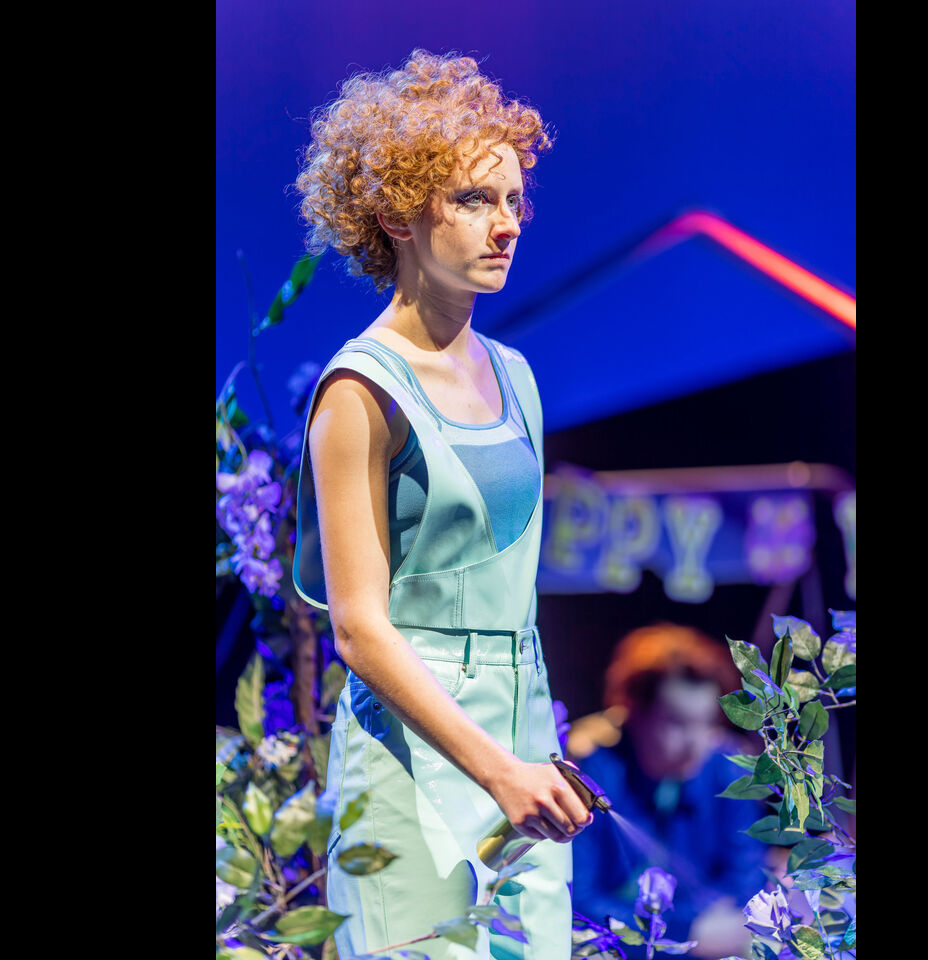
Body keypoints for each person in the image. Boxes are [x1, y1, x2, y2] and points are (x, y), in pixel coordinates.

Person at [290, 50, 591, 960]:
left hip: (523, 735)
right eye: (472, 200)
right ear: (394, 216)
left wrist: (525, 755)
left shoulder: (518, 377)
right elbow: (357, 630)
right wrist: (493, 768)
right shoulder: (360, 390)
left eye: (511, 203)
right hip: (416, 751)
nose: (504, 227)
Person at [568, 624, 770, 959]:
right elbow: (579, 902)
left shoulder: (728, 770)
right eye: (676, 723)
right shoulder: (593, 774)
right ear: (632, 712)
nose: (695, 744)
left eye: (706, 723)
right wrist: (686, 934)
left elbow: (745, 887)